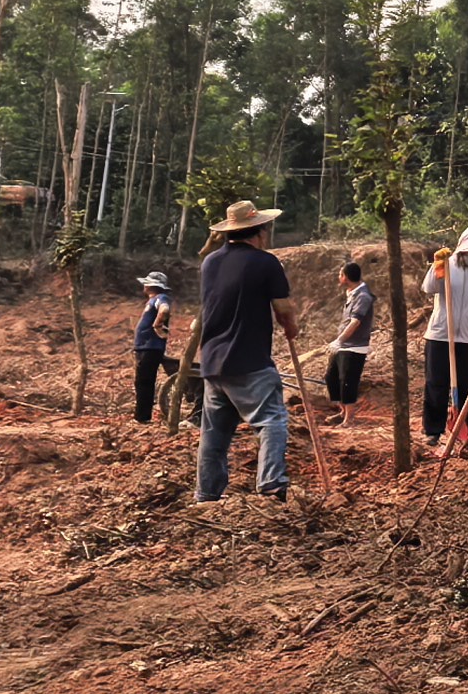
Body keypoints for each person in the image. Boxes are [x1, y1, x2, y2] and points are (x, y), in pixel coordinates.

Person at [192, 202, 300, 502]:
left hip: (213, 361)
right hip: (249, 359)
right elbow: (283, 308)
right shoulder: (266, 263)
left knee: (214, 433)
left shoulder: (210, 262)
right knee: (272, 420)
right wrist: (291, 327)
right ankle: (271, 484)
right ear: (260, 232)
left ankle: (206, 495)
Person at [421, 229, 468, 446]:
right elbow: (428, 288)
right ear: (462, 249)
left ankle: (466, 430)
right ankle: (433, 431)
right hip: (441, 334)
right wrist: (437, 268)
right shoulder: (446, 265)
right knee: (436, 383)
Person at [325, 256, 376, 412]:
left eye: (340, 274)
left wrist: (339, 340)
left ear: (345, 277)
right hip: (344, 345)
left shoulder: (363, 297)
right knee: (331, 378)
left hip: (355, 347)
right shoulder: (352, 294)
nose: (338, 277)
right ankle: (342, 412)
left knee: (348, 382)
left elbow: (355, 322)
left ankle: (349, 418)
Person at [131, 272, 176, 426]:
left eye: (147, 283)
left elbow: (164, 310)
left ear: (152, 286)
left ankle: (142, 417)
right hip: (145, 347)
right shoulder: (153, 300)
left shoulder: (161, 298)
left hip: (150, 347)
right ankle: (141, 415)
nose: (144, 286)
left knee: (144, 381)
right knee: (142, 381)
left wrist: (157, 325)